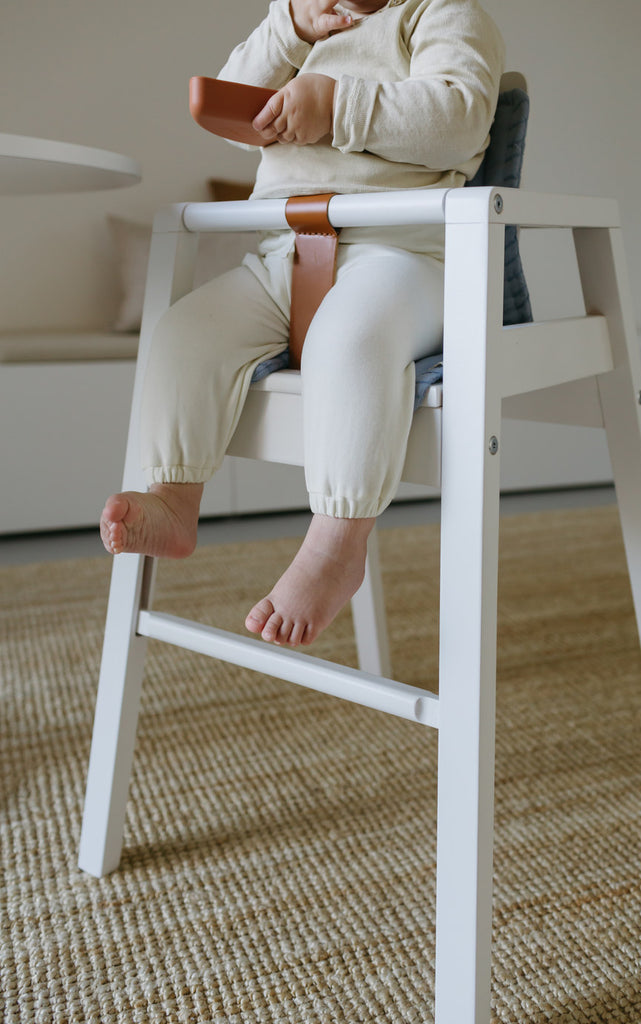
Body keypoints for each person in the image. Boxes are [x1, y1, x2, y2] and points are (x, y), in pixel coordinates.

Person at [100, 0, 505, 647]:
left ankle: (335, 546)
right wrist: (288, 27)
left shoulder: (439, 14)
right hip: (283, 255)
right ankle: (175, 497)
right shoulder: (298, 24)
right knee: (183, 332)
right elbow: (235, 118)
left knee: (347, 342)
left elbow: (458, 120)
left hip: (401, 253)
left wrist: (336, 107)